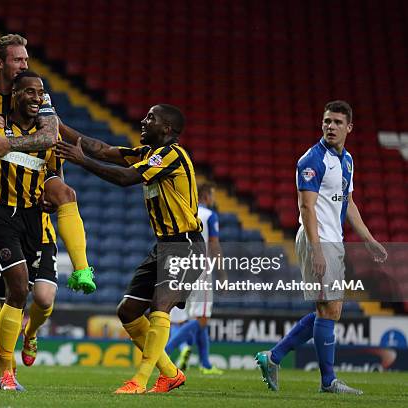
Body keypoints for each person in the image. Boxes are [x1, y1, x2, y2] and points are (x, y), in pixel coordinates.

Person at [56, 104, 206, 394]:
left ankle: (139, 381)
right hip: (163, 246)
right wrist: (60, 127)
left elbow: (125, 179)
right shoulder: (146, 154)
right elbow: (101, 149)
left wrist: (81, 161)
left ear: (167, 129)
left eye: (151, 118)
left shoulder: (172, 155)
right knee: (128, 311)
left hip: (185, 245)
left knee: (159, 306)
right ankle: (171, 373)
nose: (142, 120)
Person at [0, 33, 94, 293]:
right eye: (17, 60)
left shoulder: (37, 93)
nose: (24, 65)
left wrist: (10, 145)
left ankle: (82, 269)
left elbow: (48, 136)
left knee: (65, 192)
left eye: (26, 59)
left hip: (30, 166)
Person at [255, 100, 387, 395]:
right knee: (330, 308)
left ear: (349, 127)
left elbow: (348, 203)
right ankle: (327, 381)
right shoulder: (311, 160)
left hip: (334, 240)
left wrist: (368, 239)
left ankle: (273, 357)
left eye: (338, 122)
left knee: (329, 309)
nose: (331, 126)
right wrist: (316, 250)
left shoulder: (348, 160)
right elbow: (306, 207)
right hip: (319, 240)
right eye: (327, 121)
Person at [0, 70, 64, 391]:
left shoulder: (46, 134)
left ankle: (24, 340)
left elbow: (55, 176)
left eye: (41, 93)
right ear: (16, 94)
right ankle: (5, 371)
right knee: (16, 292)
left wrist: (52, 197)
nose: (37, 97)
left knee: (42, 299)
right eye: (30, 92)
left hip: (38, 226)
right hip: (2, 218)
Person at [166, 183, 225, 375]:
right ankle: (165, 351)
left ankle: (205, 364)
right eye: (213, 195)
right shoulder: (209, 216)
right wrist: (222, 273)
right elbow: (214, 245)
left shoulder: (182, 211)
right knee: (201, 318)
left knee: (180, 319)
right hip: (200, 270)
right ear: (206, 197)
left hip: (179, 268)